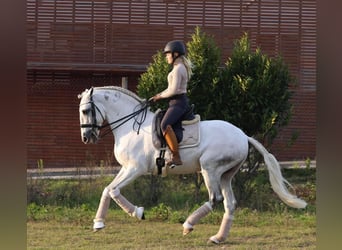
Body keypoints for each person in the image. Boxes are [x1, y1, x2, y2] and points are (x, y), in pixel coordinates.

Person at [149, 40, 192, 167]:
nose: (167, 57)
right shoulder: (177, 68)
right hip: (174, 102)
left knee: (164, 124)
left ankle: (176, 156)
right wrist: (158, 95)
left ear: (176, 54)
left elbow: (173, 90)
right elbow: (169, 89)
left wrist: (160, 96)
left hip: (179, 103)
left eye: (168, 54)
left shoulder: (179, 69)